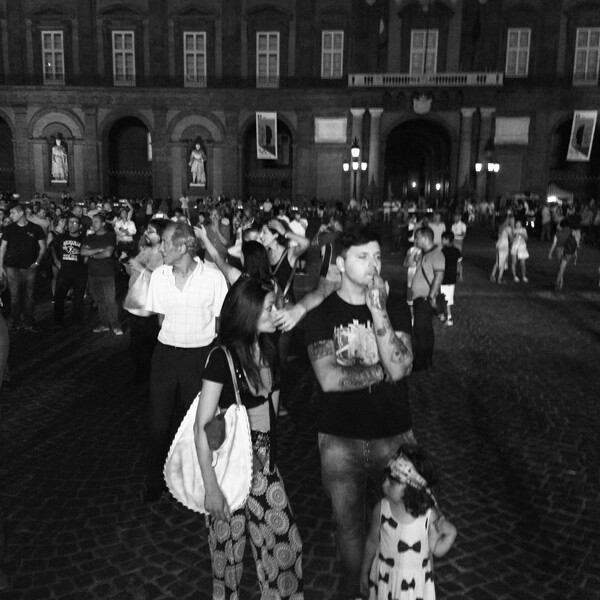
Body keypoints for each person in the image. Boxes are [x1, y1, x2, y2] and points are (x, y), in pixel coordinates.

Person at [303, 226, 414, 599]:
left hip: (393, 433)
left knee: (402, 520)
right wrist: (382, 370)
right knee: (348, 525)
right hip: (339, 438)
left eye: (377, 256)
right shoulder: (321, 313)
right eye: (362, 257)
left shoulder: (394, 304)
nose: (373, 265)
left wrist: (377, 309)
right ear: (340, 263)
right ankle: (355, 587)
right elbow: (330, 379)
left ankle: (394, 588)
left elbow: (400, 367)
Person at [195, 277, 304, 599]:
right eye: (270, 307)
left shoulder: (269, 349)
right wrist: (211, 489)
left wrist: (270, 463)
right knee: (227, 558)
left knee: (286, 546)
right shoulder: (221, 359)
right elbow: (202, 427)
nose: (277, 312)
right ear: (249, 312)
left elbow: (272, 415)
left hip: (264, 467)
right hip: (228, 469)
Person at [143, 221, 228, 503]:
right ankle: (154, 480)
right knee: (158, 421)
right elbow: (160, 318)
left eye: (165, 243)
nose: (161, 248)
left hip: (200, 357)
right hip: (166, 355)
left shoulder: (213, 278)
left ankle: (201, 480)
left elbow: (219, 322)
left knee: (199, 422)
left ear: (182, 247)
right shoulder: (159, 277)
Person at [360, 445, 457, 600]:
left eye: (391, 483)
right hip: (387, 580)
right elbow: (372, 541)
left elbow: (437, 549)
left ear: (412, 489)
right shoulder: (381, 509)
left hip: (415, 587)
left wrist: (451, 534)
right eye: (386, 479)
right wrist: (364, 572)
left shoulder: (428, 517)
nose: (384, 484)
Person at [125, 218, 169, 383]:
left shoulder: (166, 255)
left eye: (150, 231)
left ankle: (151, 382)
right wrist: (128, 265)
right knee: (136, 347)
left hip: (150, 309)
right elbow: (135, 274)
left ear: (161, 234)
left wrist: (142, 269)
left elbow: (164, 280)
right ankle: (140, 377)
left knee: (149, 348)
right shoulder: (145, 250)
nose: (145, 233)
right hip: (135, 305)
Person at [0, 204, 46, 332]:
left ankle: (29, 322)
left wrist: (37, 262)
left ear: (20, 214)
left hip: (29, 268)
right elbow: (2, 248)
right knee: (14, 298)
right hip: (12, 268)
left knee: (29, 298)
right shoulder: (9, 229)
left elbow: (43, 247)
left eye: (13, 213)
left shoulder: (35, 228)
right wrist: (0, 266)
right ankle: (16, 322)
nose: (10, 216)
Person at [81, 213, 122, 335]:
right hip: (93, 273)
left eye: (96, 222)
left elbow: (108, 254)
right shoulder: (90, 237)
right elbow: (82, 251)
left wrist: (91, 255)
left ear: (103, 223)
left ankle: (115, 324)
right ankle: (104, 324)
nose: (93, 224)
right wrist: (98, 251)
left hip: (107, 273)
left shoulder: (110, 236)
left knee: (110, 300)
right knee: (99, 300)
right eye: (93, 222)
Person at [410, 226, 445, 371]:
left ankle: (421, 361)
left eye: (417, 237)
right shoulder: (426, 254)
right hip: (421, 298)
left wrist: (431, 296)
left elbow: (439, 275)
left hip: (425, 298)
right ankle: (426, 359)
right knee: (426, 330)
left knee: (421, 331)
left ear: (425, 238)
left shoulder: (436, 255)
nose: (415, 240)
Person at [52, 215, 87, 328]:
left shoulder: (83, 239)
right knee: (59, 297)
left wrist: (87, 260)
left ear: (80, 226)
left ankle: (77, 320)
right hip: (64, 272)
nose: (72, 225)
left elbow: (89, 251)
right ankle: (58, 321)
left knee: (78, 298)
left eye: (75, 223)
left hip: (79, 272)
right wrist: (56, 261)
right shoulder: (61, 237)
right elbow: (51, 247)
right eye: (70, 223)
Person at [548, 219, 576, 291]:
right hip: (568, 251)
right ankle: (559, 283)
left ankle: (559, 283)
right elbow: (574, 244)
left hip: (559, 251)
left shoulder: (557, 234)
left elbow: (554, 244)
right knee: (562, 268)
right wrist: (575, 254)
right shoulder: (572, 232)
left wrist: (550, 253)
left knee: (560, 268)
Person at [440, 231, 461, 327]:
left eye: (443, 239)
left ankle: (449, 317)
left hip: (443, 277)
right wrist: (460, 275)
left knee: (445, 298)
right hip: (452, 277)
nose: (441, 241)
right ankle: (444, 315)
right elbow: (459, 264)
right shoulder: (457, 251)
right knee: (449, 297)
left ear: (447, 240)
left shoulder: (442, 252)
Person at [490, 215, 513, 284]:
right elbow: (511, 238)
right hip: (504, 245)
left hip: (498, 244)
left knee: (497, 261)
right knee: (502, 263)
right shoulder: (508, 228)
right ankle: (499, 279)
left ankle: (492, 276)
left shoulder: (500, 226)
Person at [450, 212, 466, 282]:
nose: (455, 218)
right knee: (454, 259)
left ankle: (460, 276)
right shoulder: (453, 225)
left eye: (457, 217)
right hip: (454, 242)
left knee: (458, 259)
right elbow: (452, 234)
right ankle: (455, 273)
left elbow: (463, 235)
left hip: (458, 242)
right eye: (454, 217)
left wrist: (455, 235)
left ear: (460, 217)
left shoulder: (463, 225)